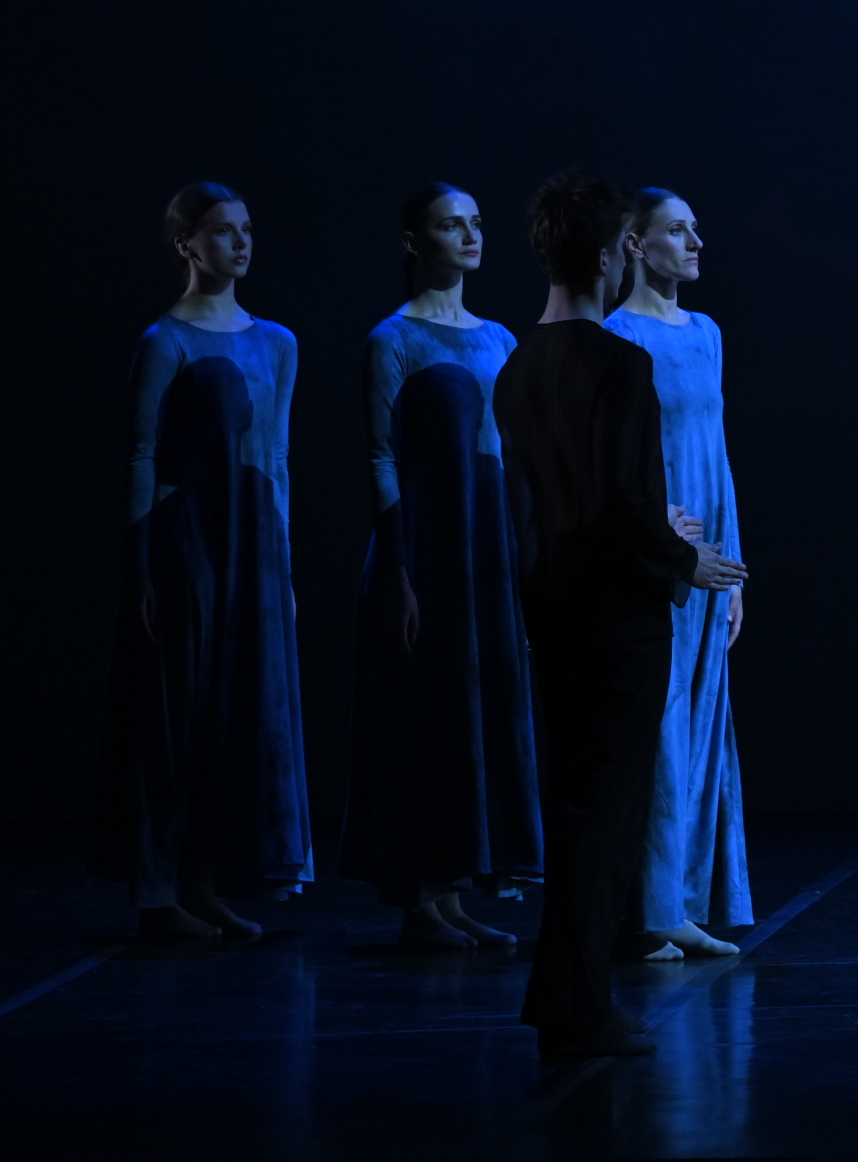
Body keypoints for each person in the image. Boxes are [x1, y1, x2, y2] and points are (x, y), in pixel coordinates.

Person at [498, 173, 746, 1064]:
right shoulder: (617, 362)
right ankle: (579, 1006)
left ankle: (565, 997)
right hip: (617, 611)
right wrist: (684, 557)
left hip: (555, 598)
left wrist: (654, 530)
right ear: (609, 257)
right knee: (605, 810)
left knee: (575, 804)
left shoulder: (519, 364)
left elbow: (558, 499)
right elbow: (625, 505)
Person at [94, 182, 314, 943]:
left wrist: (282, 566)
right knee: (176, 711)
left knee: (235, 711)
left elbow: (276, 456)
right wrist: (141, 567)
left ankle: (206, 882)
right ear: (187, 243)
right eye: (223, 231)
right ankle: (158, 891)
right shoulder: (165, 342)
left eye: (246, 230)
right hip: (186, 534)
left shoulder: (277, 342)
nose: (241, 243)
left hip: (253, 537)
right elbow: (143, 455)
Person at [344, 183, 541, 952]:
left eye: (475, 223)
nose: (469, 234)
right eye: (450, 224)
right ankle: (421, 899)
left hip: (484, 543)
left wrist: (524, 550)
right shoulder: (392, 339)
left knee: (475, 710)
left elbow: (514, 453)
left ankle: (455, 891)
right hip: (426, 544)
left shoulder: (498, 339)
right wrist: (398, 568)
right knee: (426, 713)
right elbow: (380, 457)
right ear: (413, 240)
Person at [607, 187, 752, 958]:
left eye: (696, 228)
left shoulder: (707, 332)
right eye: (677, 230)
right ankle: (652, 907)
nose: (696, 242)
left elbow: (717, 451)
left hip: (707, 549)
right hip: (656, 550)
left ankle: (684, 900)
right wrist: (657, 530)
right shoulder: (617, 337)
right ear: (636, 244)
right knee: (658, 722)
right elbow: (613, 459)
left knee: (699, 721)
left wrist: (735, 568)